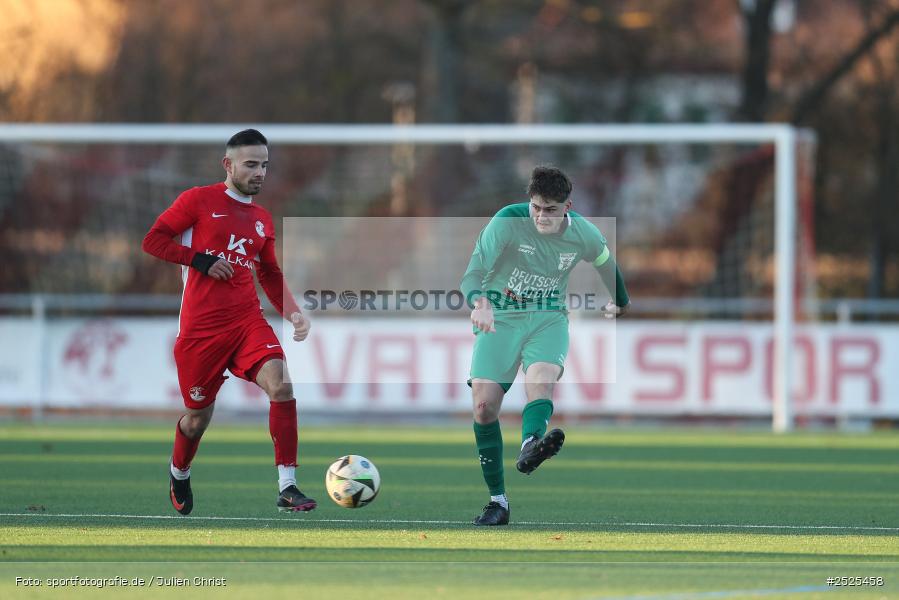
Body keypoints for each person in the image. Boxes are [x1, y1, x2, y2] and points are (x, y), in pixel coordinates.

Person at [142, 129, 316, 515]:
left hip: (246, 322)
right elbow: (153, 240)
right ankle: (179, 471)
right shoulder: (198, 201)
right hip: (200, 333)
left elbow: (269, 272)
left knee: (281, 385)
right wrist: (199, 259)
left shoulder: (262, 219)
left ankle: (287, 486)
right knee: (197, 418)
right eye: (251, 164)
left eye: (264, 165)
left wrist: (293, 313)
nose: (259, 172)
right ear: (229, 164)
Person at [460, 165, 630, 526]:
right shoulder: (507, 221)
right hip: (501, 320)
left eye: (550, 209)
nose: (541, 216)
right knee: (484, 408)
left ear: (568, 206)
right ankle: (498, 502)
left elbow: (606, 263)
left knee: (540, 379)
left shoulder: (584, 234)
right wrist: (480, 303)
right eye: (536, 207)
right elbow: (474, 270)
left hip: (547, 318)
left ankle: (530, 445)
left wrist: (620, 300)